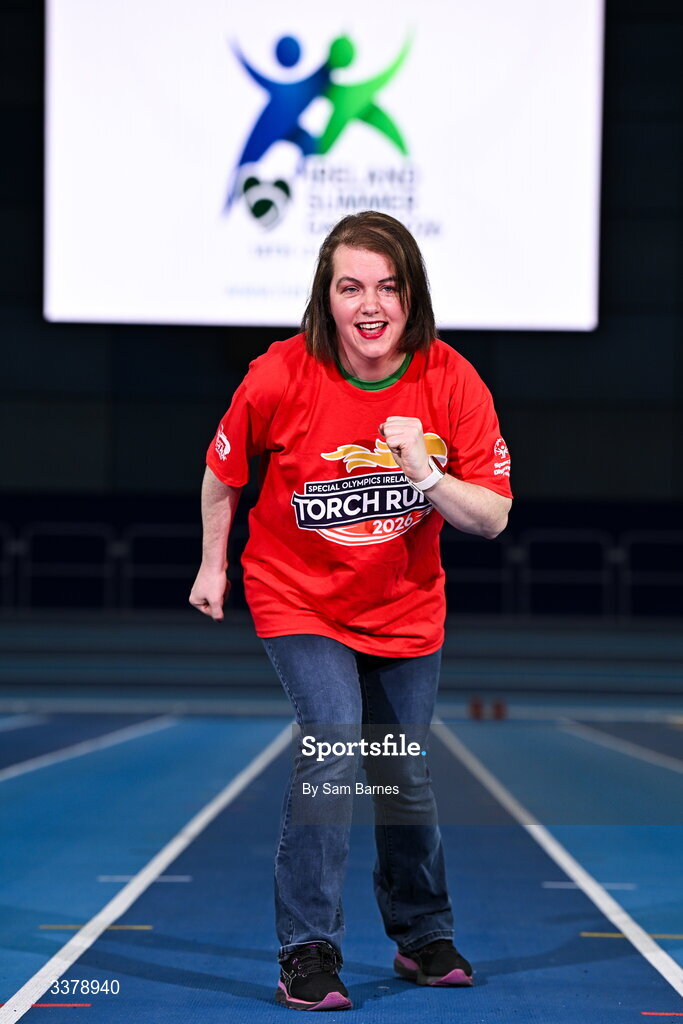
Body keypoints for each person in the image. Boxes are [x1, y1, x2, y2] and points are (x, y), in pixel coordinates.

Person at [189, 211, 512, 1011]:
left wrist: (423, 472)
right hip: (296, 594)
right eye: (350, 286)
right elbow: (223, 471)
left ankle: (421, 933)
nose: (370, 304)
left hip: (403, 608)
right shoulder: (279, 375)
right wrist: (211, 563)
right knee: (333, 743)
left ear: (411, 295)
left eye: (387, 286)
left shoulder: (451, 381)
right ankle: (307, 949)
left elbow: (493, 515)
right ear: (325, 298)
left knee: (400, 771)